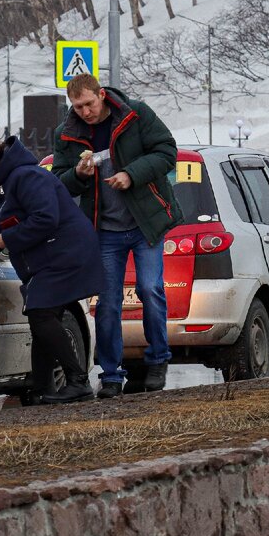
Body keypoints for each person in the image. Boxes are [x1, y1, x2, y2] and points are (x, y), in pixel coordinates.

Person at [51, 73, 182, 398]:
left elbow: (167, 151)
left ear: (102, 96)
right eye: (77, 106)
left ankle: (157, 360)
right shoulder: (67, 133)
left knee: (150, 289)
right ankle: (111, 375)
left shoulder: (135, 114)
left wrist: (130, 175)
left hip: (144, 224)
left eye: (89, 104)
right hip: (104, 230)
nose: (85, 112)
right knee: (107, 304)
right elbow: (59, 181)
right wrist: (78, 175)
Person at [0, 137, 102, 404]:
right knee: (42, 319)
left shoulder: (27, 177)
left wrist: (7, 239)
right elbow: (13, 218)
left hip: (65, 253)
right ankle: (42, 389)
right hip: (48, 258)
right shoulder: (0, 188)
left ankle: (78, 382)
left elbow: (45, 218)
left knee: (40, 314)